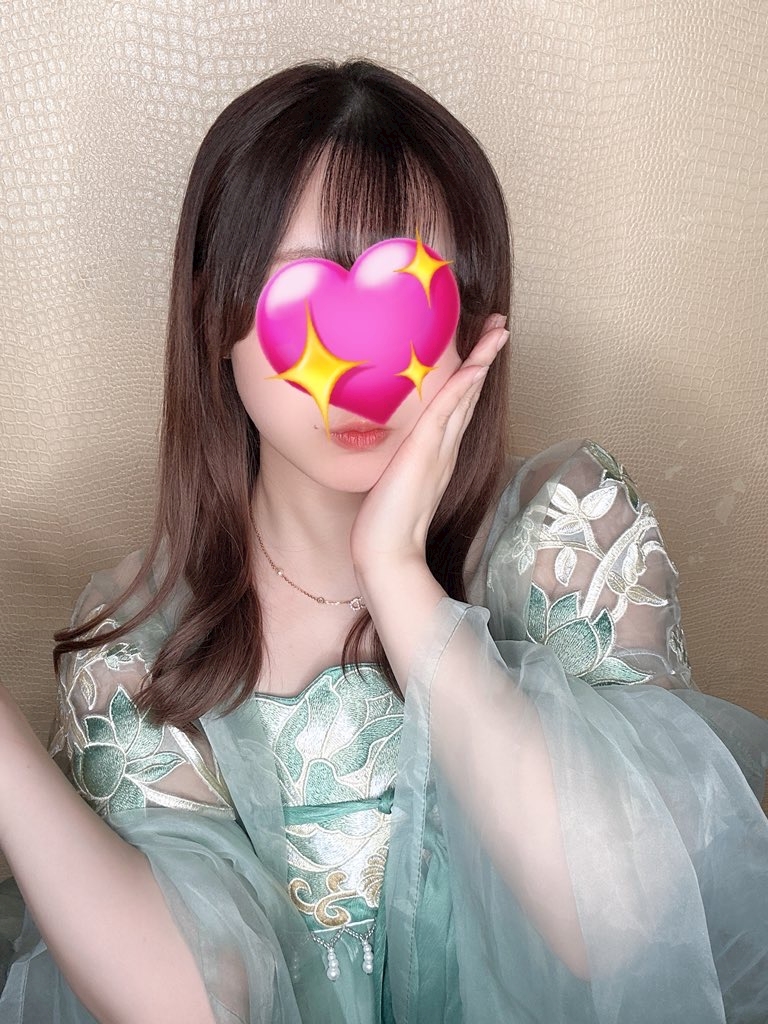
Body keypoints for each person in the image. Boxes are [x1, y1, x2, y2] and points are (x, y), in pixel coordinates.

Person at [0, 57, 766, 1024]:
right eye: (302, 297)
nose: (362, 369)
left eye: (410, 296)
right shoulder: (137, 643)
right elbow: (197, 1005)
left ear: (469, 319)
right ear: (214, 315)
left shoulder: (566, 536)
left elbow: (629, 930)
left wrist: (397, 575)